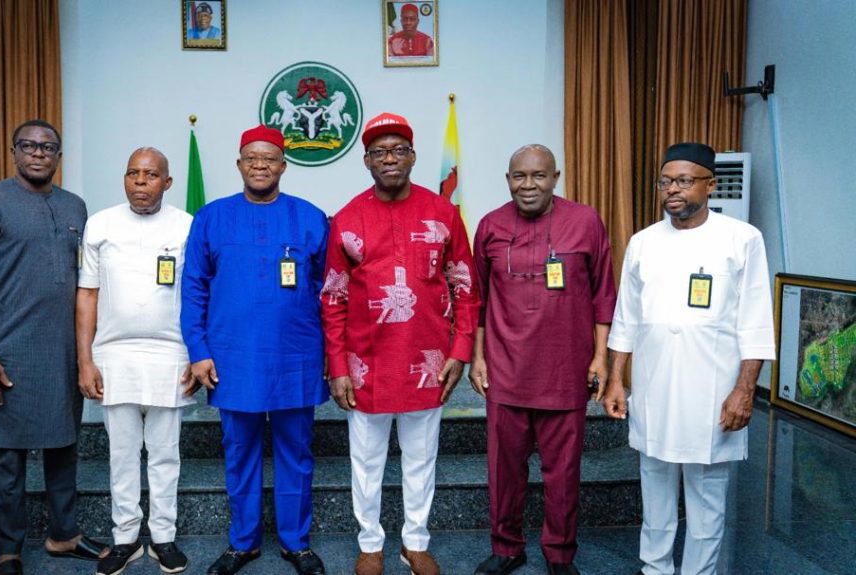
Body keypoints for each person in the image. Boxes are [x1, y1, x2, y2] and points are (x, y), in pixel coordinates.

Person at [604, 142, 776, 575]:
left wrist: (744, 391)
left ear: (710, 184)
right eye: (665, 181)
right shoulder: (643, 242)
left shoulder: (742, 239)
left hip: (712, 392)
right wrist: (616, 379)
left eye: (683, 181)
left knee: (707, 499)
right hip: (655, 388)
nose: (672, 190)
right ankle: (655, 568)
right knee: (655, 491)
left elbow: (756, 321)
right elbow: (626, 317)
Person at [322, 112, 479, 575]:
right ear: (367, 161)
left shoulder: (442, 213)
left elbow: (465, 285)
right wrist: (338, 365)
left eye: (398, 150)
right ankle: (370, 543)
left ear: (413, 157)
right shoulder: (348, 219)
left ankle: (415, 541)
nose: (389, 159)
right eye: (379, 152)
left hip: (427, 360)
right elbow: (332, 297)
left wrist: (460, 351)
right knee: (366, 462)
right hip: (365, 364)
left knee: (421, 458)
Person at [0, 119, 108, 575]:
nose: (39, 153)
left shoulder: (75, 206)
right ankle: (9, 550)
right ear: (14, 151)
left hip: (63, 352)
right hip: (8, 352)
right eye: (29, 146)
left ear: (59, 156)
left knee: (64, 445)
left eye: (48, 147)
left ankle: (64, 534)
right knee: (9, 456)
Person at [180, 125, 329, 575]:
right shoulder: (211, 218)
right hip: (233, 358)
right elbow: (193, 288)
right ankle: (242, 542)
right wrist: (198, 350)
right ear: (239, 164)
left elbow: (328, 289)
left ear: (283, 165)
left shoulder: (311, 217)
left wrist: (329, 353)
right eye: (251, 158)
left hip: (296, 356)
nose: (260, 166)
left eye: (269, 159)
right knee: (239, 452)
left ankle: (295, 543)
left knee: (296, 453)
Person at [469, 145, 616, 575]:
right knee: (504, 469)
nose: (528, 185)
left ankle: (560, 554)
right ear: (508, 179)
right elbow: (477, 299)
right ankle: (506, 547)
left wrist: (601, 358)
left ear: (556, 178)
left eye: (538, 176)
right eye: (519, 176)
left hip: (565, 369)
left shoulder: (585, 221)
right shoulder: (490, 225)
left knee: (563, 471)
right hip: (505, 368)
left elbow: (603, 294)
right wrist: (478, 357)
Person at [75, 147, 194, 575]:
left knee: (165, 454)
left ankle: (163, 538)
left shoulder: (187, 226)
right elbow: (87, 294)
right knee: (122, 455)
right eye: (133, 173)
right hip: (114, 356)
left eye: (150, 174)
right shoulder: (100, 224)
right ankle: (125, 538)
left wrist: (197, 355)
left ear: (167, 182)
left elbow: (200, 294)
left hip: (171, 355)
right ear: (124, 179)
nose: (140, 182)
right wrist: (85, 360)